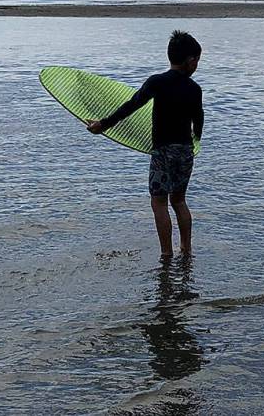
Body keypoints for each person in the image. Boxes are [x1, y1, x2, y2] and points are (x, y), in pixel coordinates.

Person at [86, 31, 204, 259]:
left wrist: (104, 125)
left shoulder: (157, 82)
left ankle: (166, 254)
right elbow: (198, 120)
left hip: (162, 151)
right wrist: (195, 138)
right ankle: (186, 250)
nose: (197, 65)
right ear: (190, 60)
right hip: (185, 151)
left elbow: (132, 105)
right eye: (197, 60)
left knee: (159, 202)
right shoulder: (194, 88)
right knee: (179, 200)